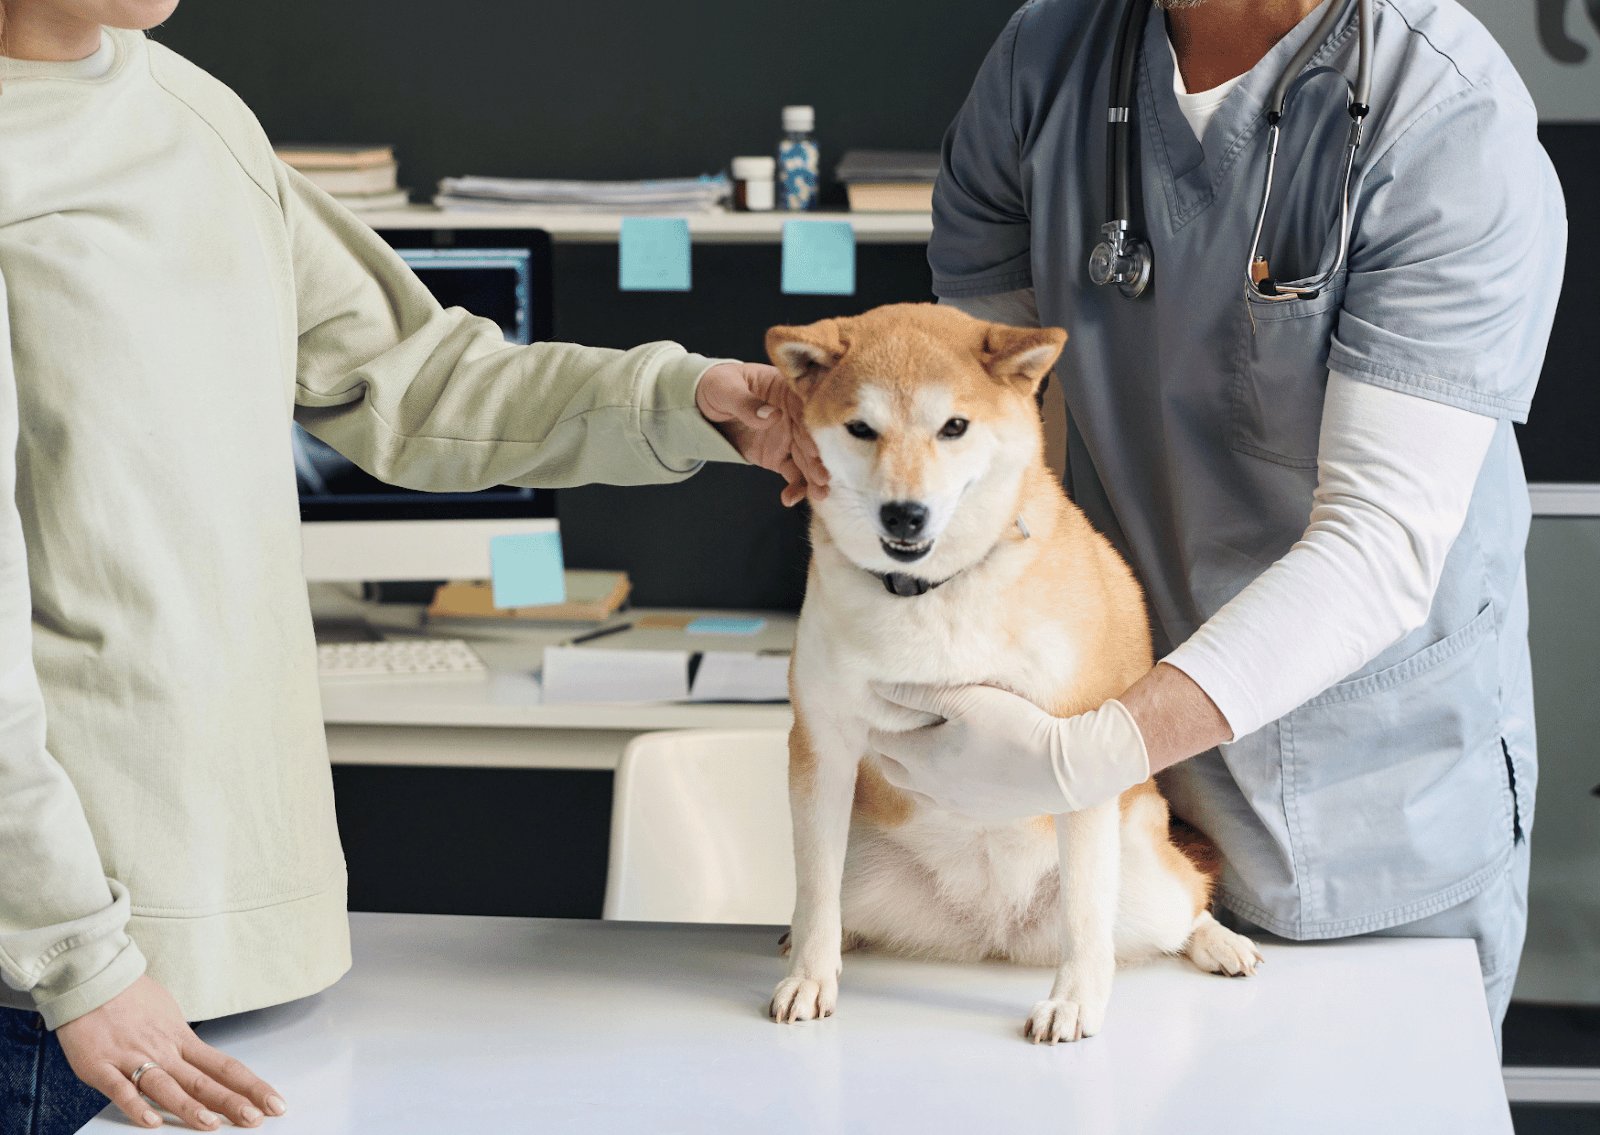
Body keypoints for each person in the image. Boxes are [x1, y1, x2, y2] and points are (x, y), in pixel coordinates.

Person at [0, 1, 825, 1132]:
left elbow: (416, 377)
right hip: (59, 995)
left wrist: (684, 401)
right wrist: (75, 960)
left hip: (233, 965)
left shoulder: (196, 120)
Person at [871, 0, 1565, 1048]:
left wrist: (1093, 749)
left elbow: (1379, 545)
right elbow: (1002, 439)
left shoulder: (1444, 117)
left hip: (1360, 807)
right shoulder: (1040, 64)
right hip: (1117, 813)